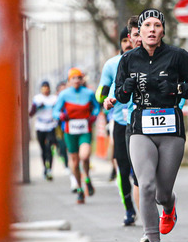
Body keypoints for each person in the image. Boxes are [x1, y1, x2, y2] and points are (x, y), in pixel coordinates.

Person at [114, 9, 188, 242]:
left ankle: (169, 206)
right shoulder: (128, 59)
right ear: (139, 33)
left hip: (170, 129)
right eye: (147, 26)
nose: (152, 30)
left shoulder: (178, 56)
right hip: (140, 127)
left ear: (163, 30)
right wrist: (125, 89)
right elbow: (120, 96)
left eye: (157, 25)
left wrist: (178, 89)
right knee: (146, 186)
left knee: (162, 192)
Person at [97, 18, 141, 225]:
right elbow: (100, 91)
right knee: (122, 168)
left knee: (140, 169)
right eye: (124, 40)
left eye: (129, 38)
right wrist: (104, 96)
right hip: (120, 122)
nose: (127, 43)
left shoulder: (145, 62)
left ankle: (147, 206)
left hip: (141, 120)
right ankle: (129, 209)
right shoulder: (111, 64)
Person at [53, 68, 101, 203]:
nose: (76, 80)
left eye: (78, 78)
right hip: (70, 132)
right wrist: (61, 116)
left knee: (84, 156)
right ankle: (80, 189)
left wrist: (94, 116)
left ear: (82, 80)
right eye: (73, 78)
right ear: (69, 81)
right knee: (74, 162)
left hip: (85, 130)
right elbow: (55, 112)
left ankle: (87, 177)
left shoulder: (89, 93)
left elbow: (97, 107)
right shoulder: (64, 95)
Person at [28, 80, 59, 180]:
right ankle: (45, 167)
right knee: (43, 149)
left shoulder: (54, 99)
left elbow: (59, 110)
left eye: (47, 87)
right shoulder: (37, 98)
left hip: (51, 125)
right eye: (43, 88)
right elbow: (31, 113)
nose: (45, 90)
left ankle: (49, 168)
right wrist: (37, 107)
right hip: (40, 126)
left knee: (49, 147)